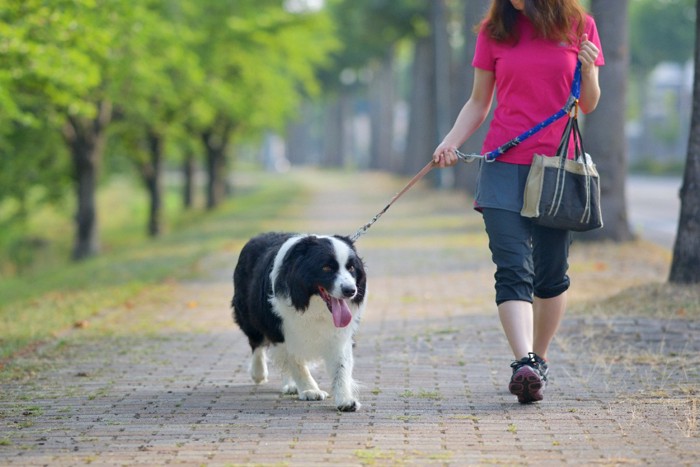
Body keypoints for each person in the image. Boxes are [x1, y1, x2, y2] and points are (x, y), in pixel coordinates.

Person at [432, 0, 604, 403]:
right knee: (512, 267)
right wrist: (450, 142)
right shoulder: (494, 31)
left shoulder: (580, 25)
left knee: (551, 273)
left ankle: (538, 362)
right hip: (502, 164)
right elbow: (479, 102)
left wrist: (590, 70)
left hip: (555, 168)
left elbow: (588, 103)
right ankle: (523, 362)